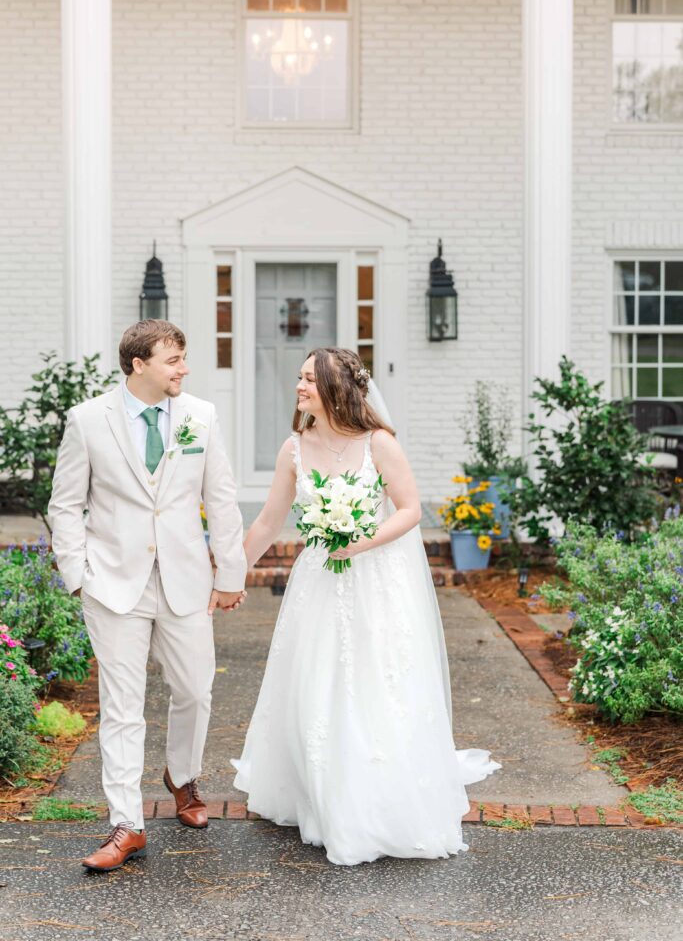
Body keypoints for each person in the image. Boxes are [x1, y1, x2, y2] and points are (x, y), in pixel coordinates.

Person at [232, 347, 500, 865]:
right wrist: (230, 570)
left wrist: (359, 541)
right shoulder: (295, 448)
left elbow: (411, 510)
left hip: (376, 578)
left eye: (308, 379)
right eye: (299, 378)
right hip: (319, 582)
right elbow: (267, 522)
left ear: (334, 388)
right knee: (317, 676)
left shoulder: (379, 443)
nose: (299, 387)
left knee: (378, 676)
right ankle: (320, 785)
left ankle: (377, 789)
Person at [48, 320, 247, 872]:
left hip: (185, 580)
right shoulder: (89, 420)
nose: (184, 369)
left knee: (195, 690)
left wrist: (230, 573)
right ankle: (126, 824)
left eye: (183, 359)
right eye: (174, 360)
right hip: (112, 584)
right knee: (121, 706)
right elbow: (65, 503)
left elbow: (222, 499)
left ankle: (181, 776)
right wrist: (78, 574)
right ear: (139, 365)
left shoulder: (200, 416)